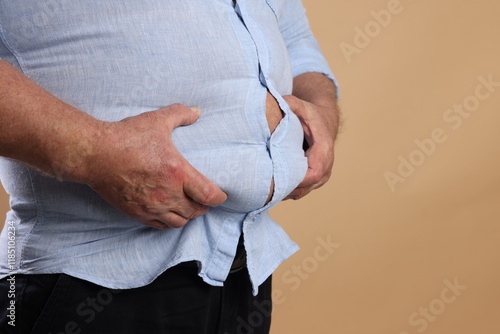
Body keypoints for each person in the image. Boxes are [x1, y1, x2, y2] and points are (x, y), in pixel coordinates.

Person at [0, 1, 340, 333]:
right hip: (87, 280)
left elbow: (292, 33)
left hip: (244, 271)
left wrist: (323, 107)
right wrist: (95, 153)